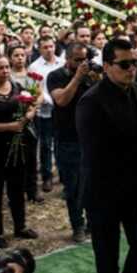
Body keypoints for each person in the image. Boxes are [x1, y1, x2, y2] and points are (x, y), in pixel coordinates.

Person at [76, 39, 137, 273]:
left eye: (135, 63)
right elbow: (95, 154)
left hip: (135, 188)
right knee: (107, 255)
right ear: (106, 66)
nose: (132, 69)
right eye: (125, 64)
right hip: (103, 190)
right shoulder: (90, 101)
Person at [0, 54, 39, 249]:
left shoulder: (16, 86)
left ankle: (20, 226)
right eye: (0, 68)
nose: (5, 71)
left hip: (17, 147)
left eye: (7, 67)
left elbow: (30, 106)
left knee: (17, 189)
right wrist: (8, 127)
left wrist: (28, 116)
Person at [48, 43, 97, 243]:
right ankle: (78, 225)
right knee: (73, 187)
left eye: (84, 59)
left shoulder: (91, 75)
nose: (82, 64)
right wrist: (77, 77)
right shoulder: (56, 76)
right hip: (68, 139)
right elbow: (61, 100)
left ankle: (93, 223)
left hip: (91, 138)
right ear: (67, 59)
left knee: (93, 185)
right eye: (77, 60)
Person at [28, 36, 64, 193]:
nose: (49, 50)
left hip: (62, 108)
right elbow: (35, 89)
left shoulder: (62, 62)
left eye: (51, 46)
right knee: (46, 144)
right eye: (45, 47)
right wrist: (49, 100)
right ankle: (47, 176)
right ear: (39, 49)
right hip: (45, 110)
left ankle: (63, 173)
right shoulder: (34, 67)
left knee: (61, 142)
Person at [8, 45, 42, 204]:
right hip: (12, 120)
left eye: (22, 55)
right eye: (16, 55)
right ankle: (17, 190)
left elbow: (39, 95)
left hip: (30, 119)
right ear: (10, 58)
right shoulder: (8, 76)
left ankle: (32, 190)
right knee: (15, 157)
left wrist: (33, 108)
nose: (20, 58)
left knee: (31, 157)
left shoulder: (31, 76)